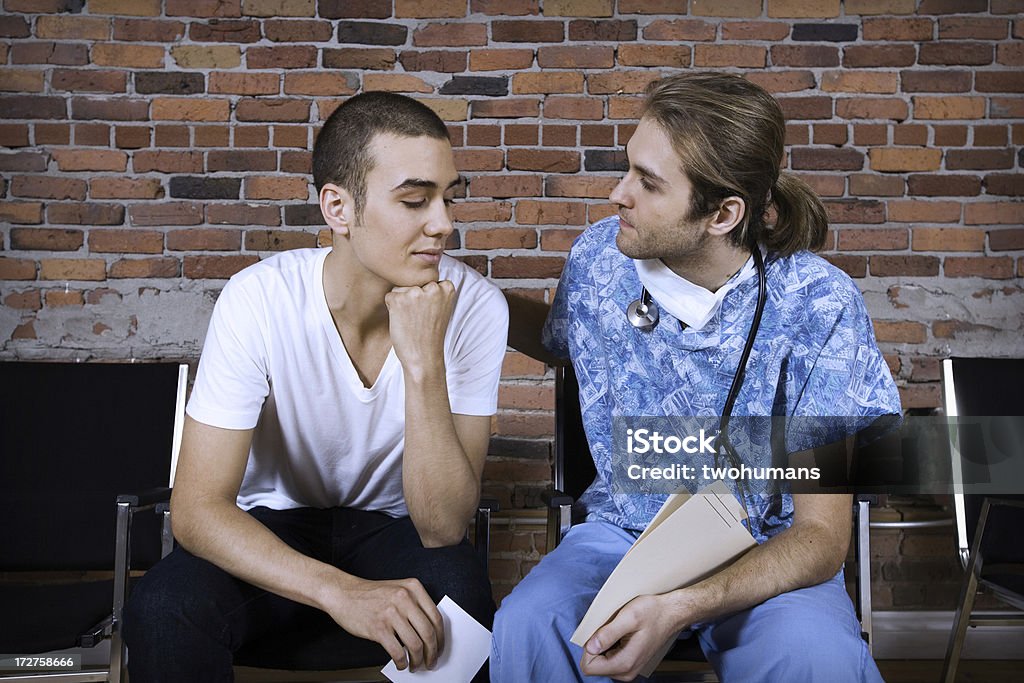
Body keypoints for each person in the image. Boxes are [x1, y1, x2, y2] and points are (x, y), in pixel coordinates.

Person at [491, 72, 901, 682]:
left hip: (770, 549)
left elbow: (820, 537)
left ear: (722, 213)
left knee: (818, 658)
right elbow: (561, 339)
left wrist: (677, 605)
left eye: (647, 183)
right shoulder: (600, 259)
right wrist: (465, 295)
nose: (616, 195)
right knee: (528, 623)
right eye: (628, 168)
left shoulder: (819, 305)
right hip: (622, 534)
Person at [124, 92, 508, 681]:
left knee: (458, 595)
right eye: (414, 200)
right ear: (338, 208)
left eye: (449, 198)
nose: (444, 225)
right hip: (272, 524)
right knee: (163, 605)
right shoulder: (259, 299)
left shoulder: (474, 306)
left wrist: (424, 364)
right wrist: (341, 592)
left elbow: (442, 526)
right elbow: (197, 511)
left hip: (396, 529)